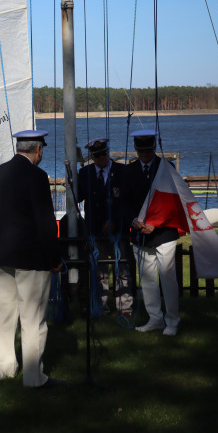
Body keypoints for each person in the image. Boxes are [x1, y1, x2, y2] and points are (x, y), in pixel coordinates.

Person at [0, 130, 63, 388]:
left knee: (6, 314)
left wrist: (4, 242)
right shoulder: (38, 177)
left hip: (6, 254)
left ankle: (6, 370)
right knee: (33, 318)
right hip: (32, 258)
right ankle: (34, 378)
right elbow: (45, 224)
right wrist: (54, 258)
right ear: (38, 150)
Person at [124, 130, 180, 336]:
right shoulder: (129, 172)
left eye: (147, 151)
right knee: (147, 279)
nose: (144, 155)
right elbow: (125, 202)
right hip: (140, 234)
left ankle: (172, 320)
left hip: (164, 233)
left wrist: (156, 223)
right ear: (136, 150)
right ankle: (155, 318)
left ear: (154, 148)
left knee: (167, 278)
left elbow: (173, 202)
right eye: (141, 151)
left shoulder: (166, 168)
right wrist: (133, 221)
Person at [77, 139, 133, 316]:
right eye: (97, 155)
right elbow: (77, 197)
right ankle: (100, 307)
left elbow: (126, 202)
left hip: (118, 230)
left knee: (122, 269)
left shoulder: (122, 171)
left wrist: (115, 221)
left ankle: (125, 308)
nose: (101, 158)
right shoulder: (85, 173)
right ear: (91, 156)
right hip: (95, 229)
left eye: (103, 154)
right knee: (99, 271)